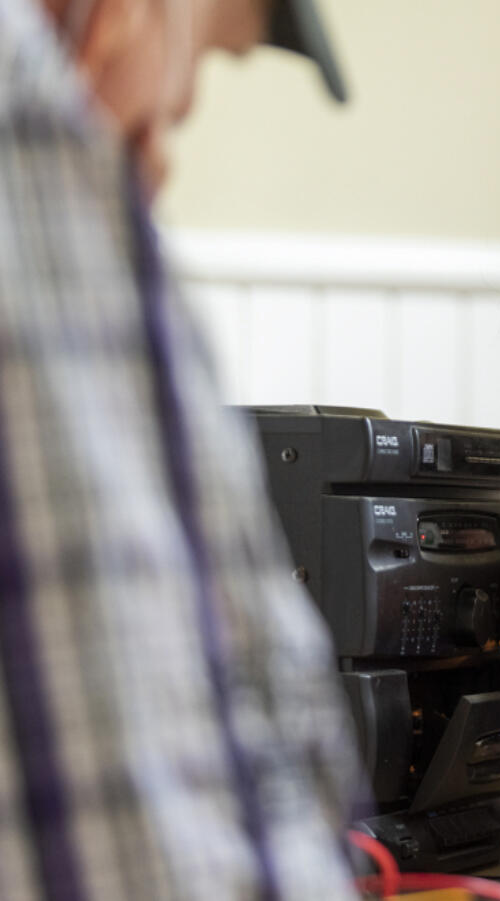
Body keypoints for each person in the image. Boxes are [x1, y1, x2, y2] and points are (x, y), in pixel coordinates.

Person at [0, 1, 361, 898]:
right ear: (129, 14)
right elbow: (129, 836)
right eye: (203, 56)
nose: (167, 144)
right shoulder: (32, 141)